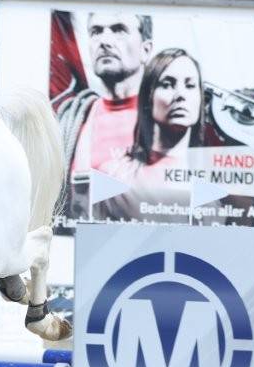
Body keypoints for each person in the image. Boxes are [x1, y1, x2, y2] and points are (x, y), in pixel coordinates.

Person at [100, 49, 204, 217]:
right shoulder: (113, 175)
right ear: (149, 97)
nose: (180, 95)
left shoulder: (211, 184)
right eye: (167, 84)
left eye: (190, 85)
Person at [56, 12, 155, 178]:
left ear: (145, 50)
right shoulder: (73, 120)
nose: (104, 42)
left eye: (119, 30)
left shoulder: (171, 117)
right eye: (96, 32)